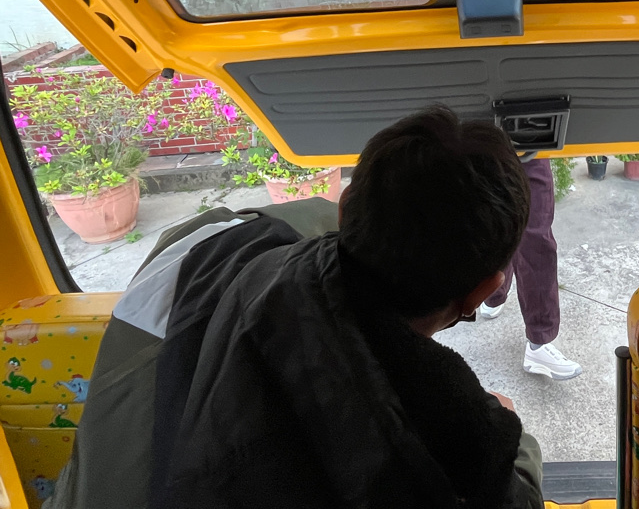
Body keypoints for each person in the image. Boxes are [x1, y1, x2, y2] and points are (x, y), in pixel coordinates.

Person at [47, 105, 544, 509]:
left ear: (345, 208)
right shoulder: (461, 438)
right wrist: (514, 442)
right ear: (483, 291)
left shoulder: (198, 247)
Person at [478, 158, 582, 380]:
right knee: (493, 222)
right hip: (484, 143)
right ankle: (494, 293)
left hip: (529, 145)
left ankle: (538, 341)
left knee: (534, 236)